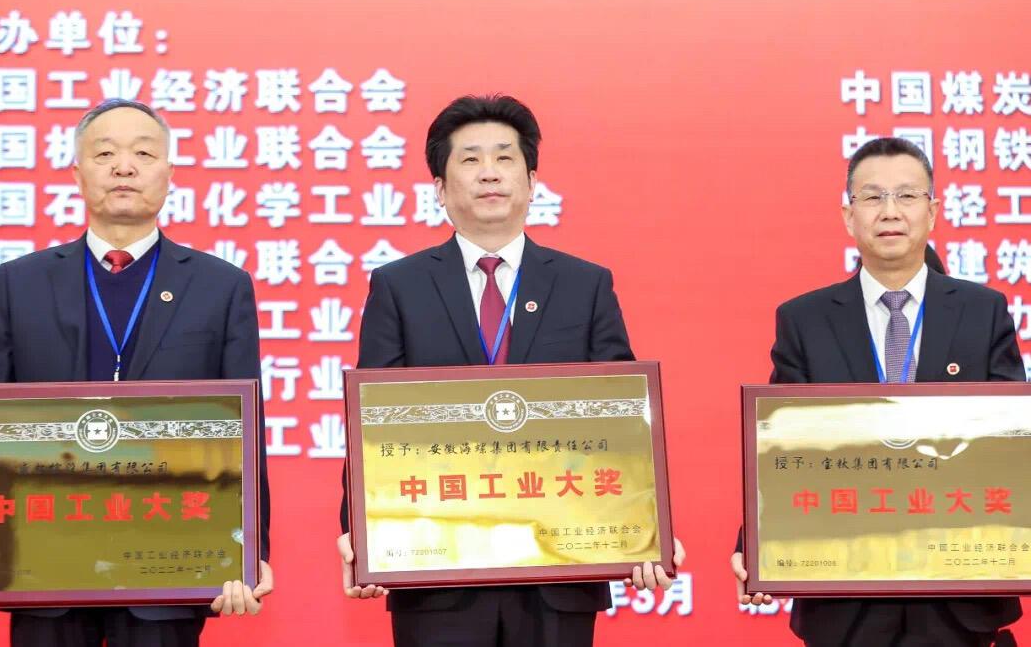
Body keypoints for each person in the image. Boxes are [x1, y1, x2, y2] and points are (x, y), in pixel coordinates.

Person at [337, 94, 684, 647]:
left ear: (531, 181)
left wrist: (648, 527)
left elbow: (621, 421)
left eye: (504, 157)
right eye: (470, 160)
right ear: (440, 188)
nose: (489, 173)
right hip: (438, 567)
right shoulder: (398, 287)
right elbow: (372, 423)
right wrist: (361, 531)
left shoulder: (585, 284)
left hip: (558, 565)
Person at [0, 99, 274, 646]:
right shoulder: (20, 282)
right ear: (77, 173)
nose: (124, 167)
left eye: (143, 154)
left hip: (168, 559)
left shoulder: (220, 287)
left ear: (169, 172)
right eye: (105, 154)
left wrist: (250, 551)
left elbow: (245, 430)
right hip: (42, 563)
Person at [732, 137, 1023, 646]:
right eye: (872, 197)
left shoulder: (983, 312)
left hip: (956, 596)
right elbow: (782, 447)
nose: (890, 211)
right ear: (849, 216)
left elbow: (1011, 447)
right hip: (847, 599)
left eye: (907, 195)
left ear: (933, 212)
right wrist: (757, 545)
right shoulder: (805, 320)